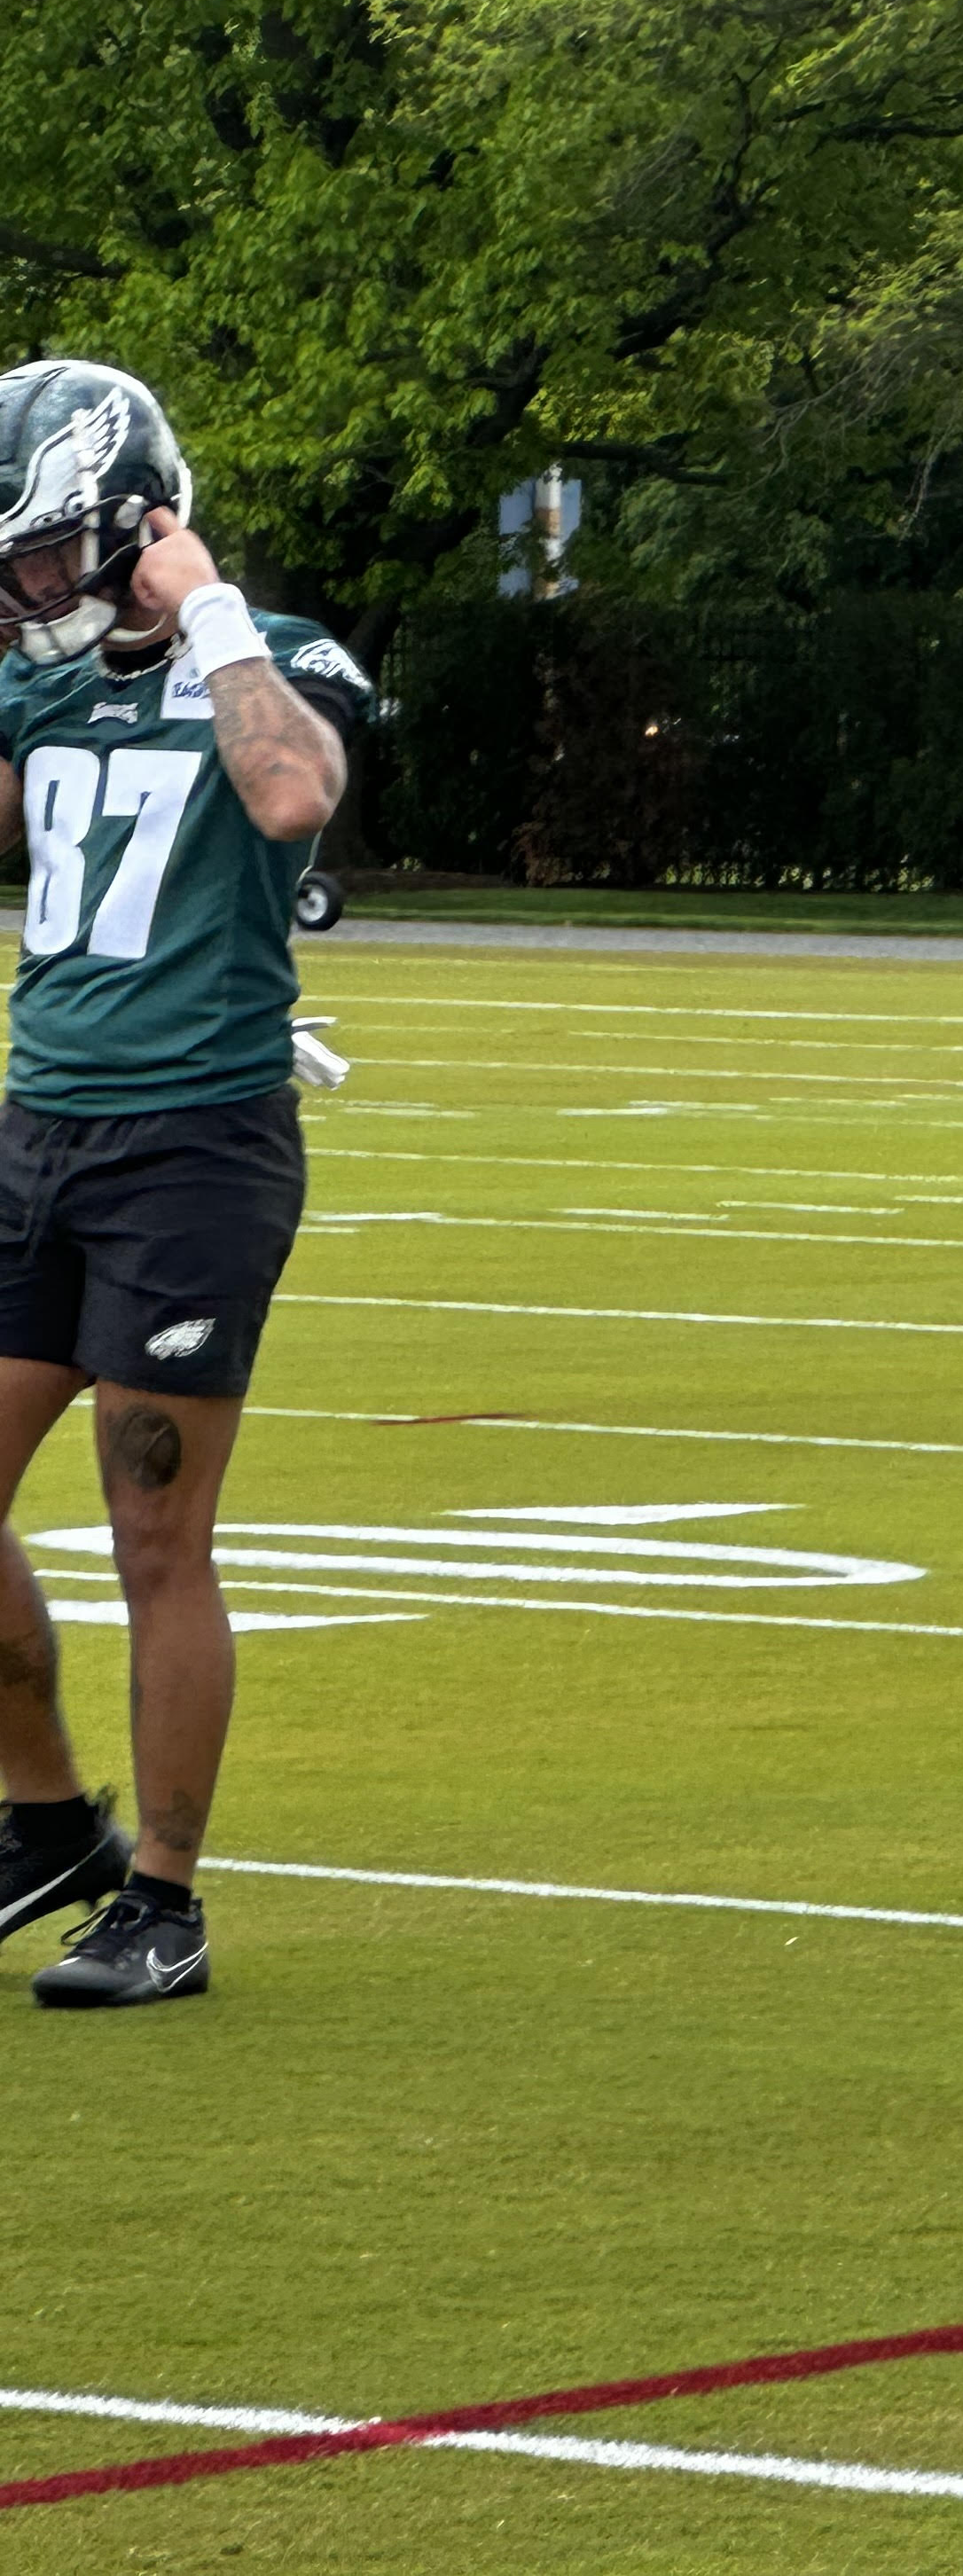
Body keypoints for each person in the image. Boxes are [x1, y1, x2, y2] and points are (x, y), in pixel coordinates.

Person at [0, 360, 365, 2006]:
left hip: (193, 1144)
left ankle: (163, 1894)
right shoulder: (41, 690)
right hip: (40, 1123)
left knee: (155, 1529)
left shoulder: (272, 660)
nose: (32, 591)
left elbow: (291, 792)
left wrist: (206, 608)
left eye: (47, 557)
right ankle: (43, 1819)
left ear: (141, 521)